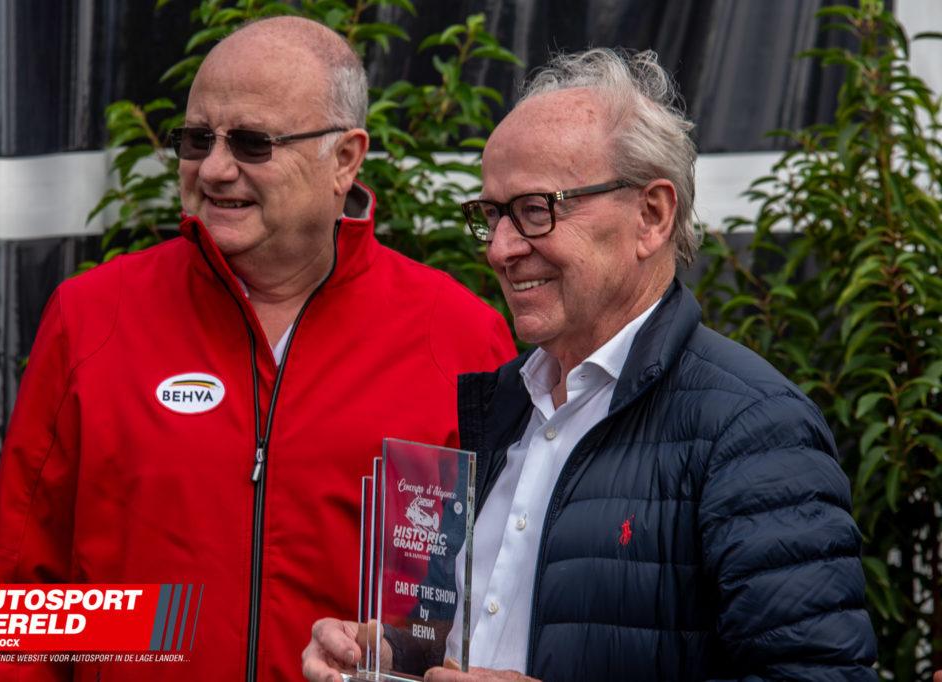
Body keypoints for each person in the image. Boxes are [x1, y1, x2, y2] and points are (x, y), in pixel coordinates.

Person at [0, 16, 514, 682]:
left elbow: (497, 605)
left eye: (253, 143)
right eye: (197, 139)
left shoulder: (459, 337)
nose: (215, 169)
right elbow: (18, 600)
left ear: (344, 159)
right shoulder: (91, 317)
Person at [302, 48, 878, 681]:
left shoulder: (753, 429)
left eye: (535, 210)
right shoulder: (500, 409)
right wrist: (391, 655)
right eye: (491, 215)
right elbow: (485, 631)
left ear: (652, 216)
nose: (500, 249)